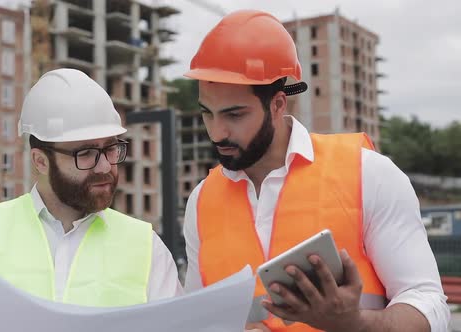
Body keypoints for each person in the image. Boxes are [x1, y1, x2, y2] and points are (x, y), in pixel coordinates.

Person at [182, 10, 450, 332]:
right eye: (207, 114)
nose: (217, 132)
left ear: (278, 104)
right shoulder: (201, 202)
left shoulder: (369, 174)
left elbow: (429, 303)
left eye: (234, 115)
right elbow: (196, 319)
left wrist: (355, 323)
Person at [0, 69, 182, 331]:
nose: (106, 166)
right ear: (40, 161)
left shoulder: (147, 248)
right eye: (86, 154)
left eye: (111, 149)